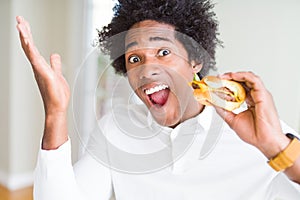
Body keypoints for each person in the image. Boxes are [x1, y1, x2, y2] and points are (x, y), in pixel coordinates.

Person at [16, 0, 300, 199]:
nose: (146, 69)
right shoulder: (116, 127)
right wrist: (55, 113)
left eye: (163, 52)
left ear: (196, 60)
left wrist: (275, 145)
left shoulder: (265, 137)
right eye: (135, 58)